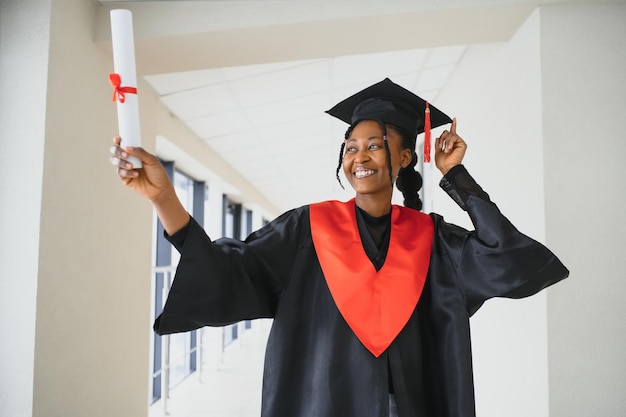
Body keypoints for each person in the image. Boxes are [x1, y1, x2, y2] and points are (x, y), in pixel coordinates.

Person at [110, 78, 568, 417]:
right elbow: (231, 271)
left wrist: (456, 178)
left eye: (375, 145)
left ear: (405, 157)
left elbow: (513, 260)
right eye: (350, 147)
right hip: (321, 405)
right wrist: (163, 198)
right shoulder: (306, 228)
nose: (359, 156)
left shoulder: (435, 239)